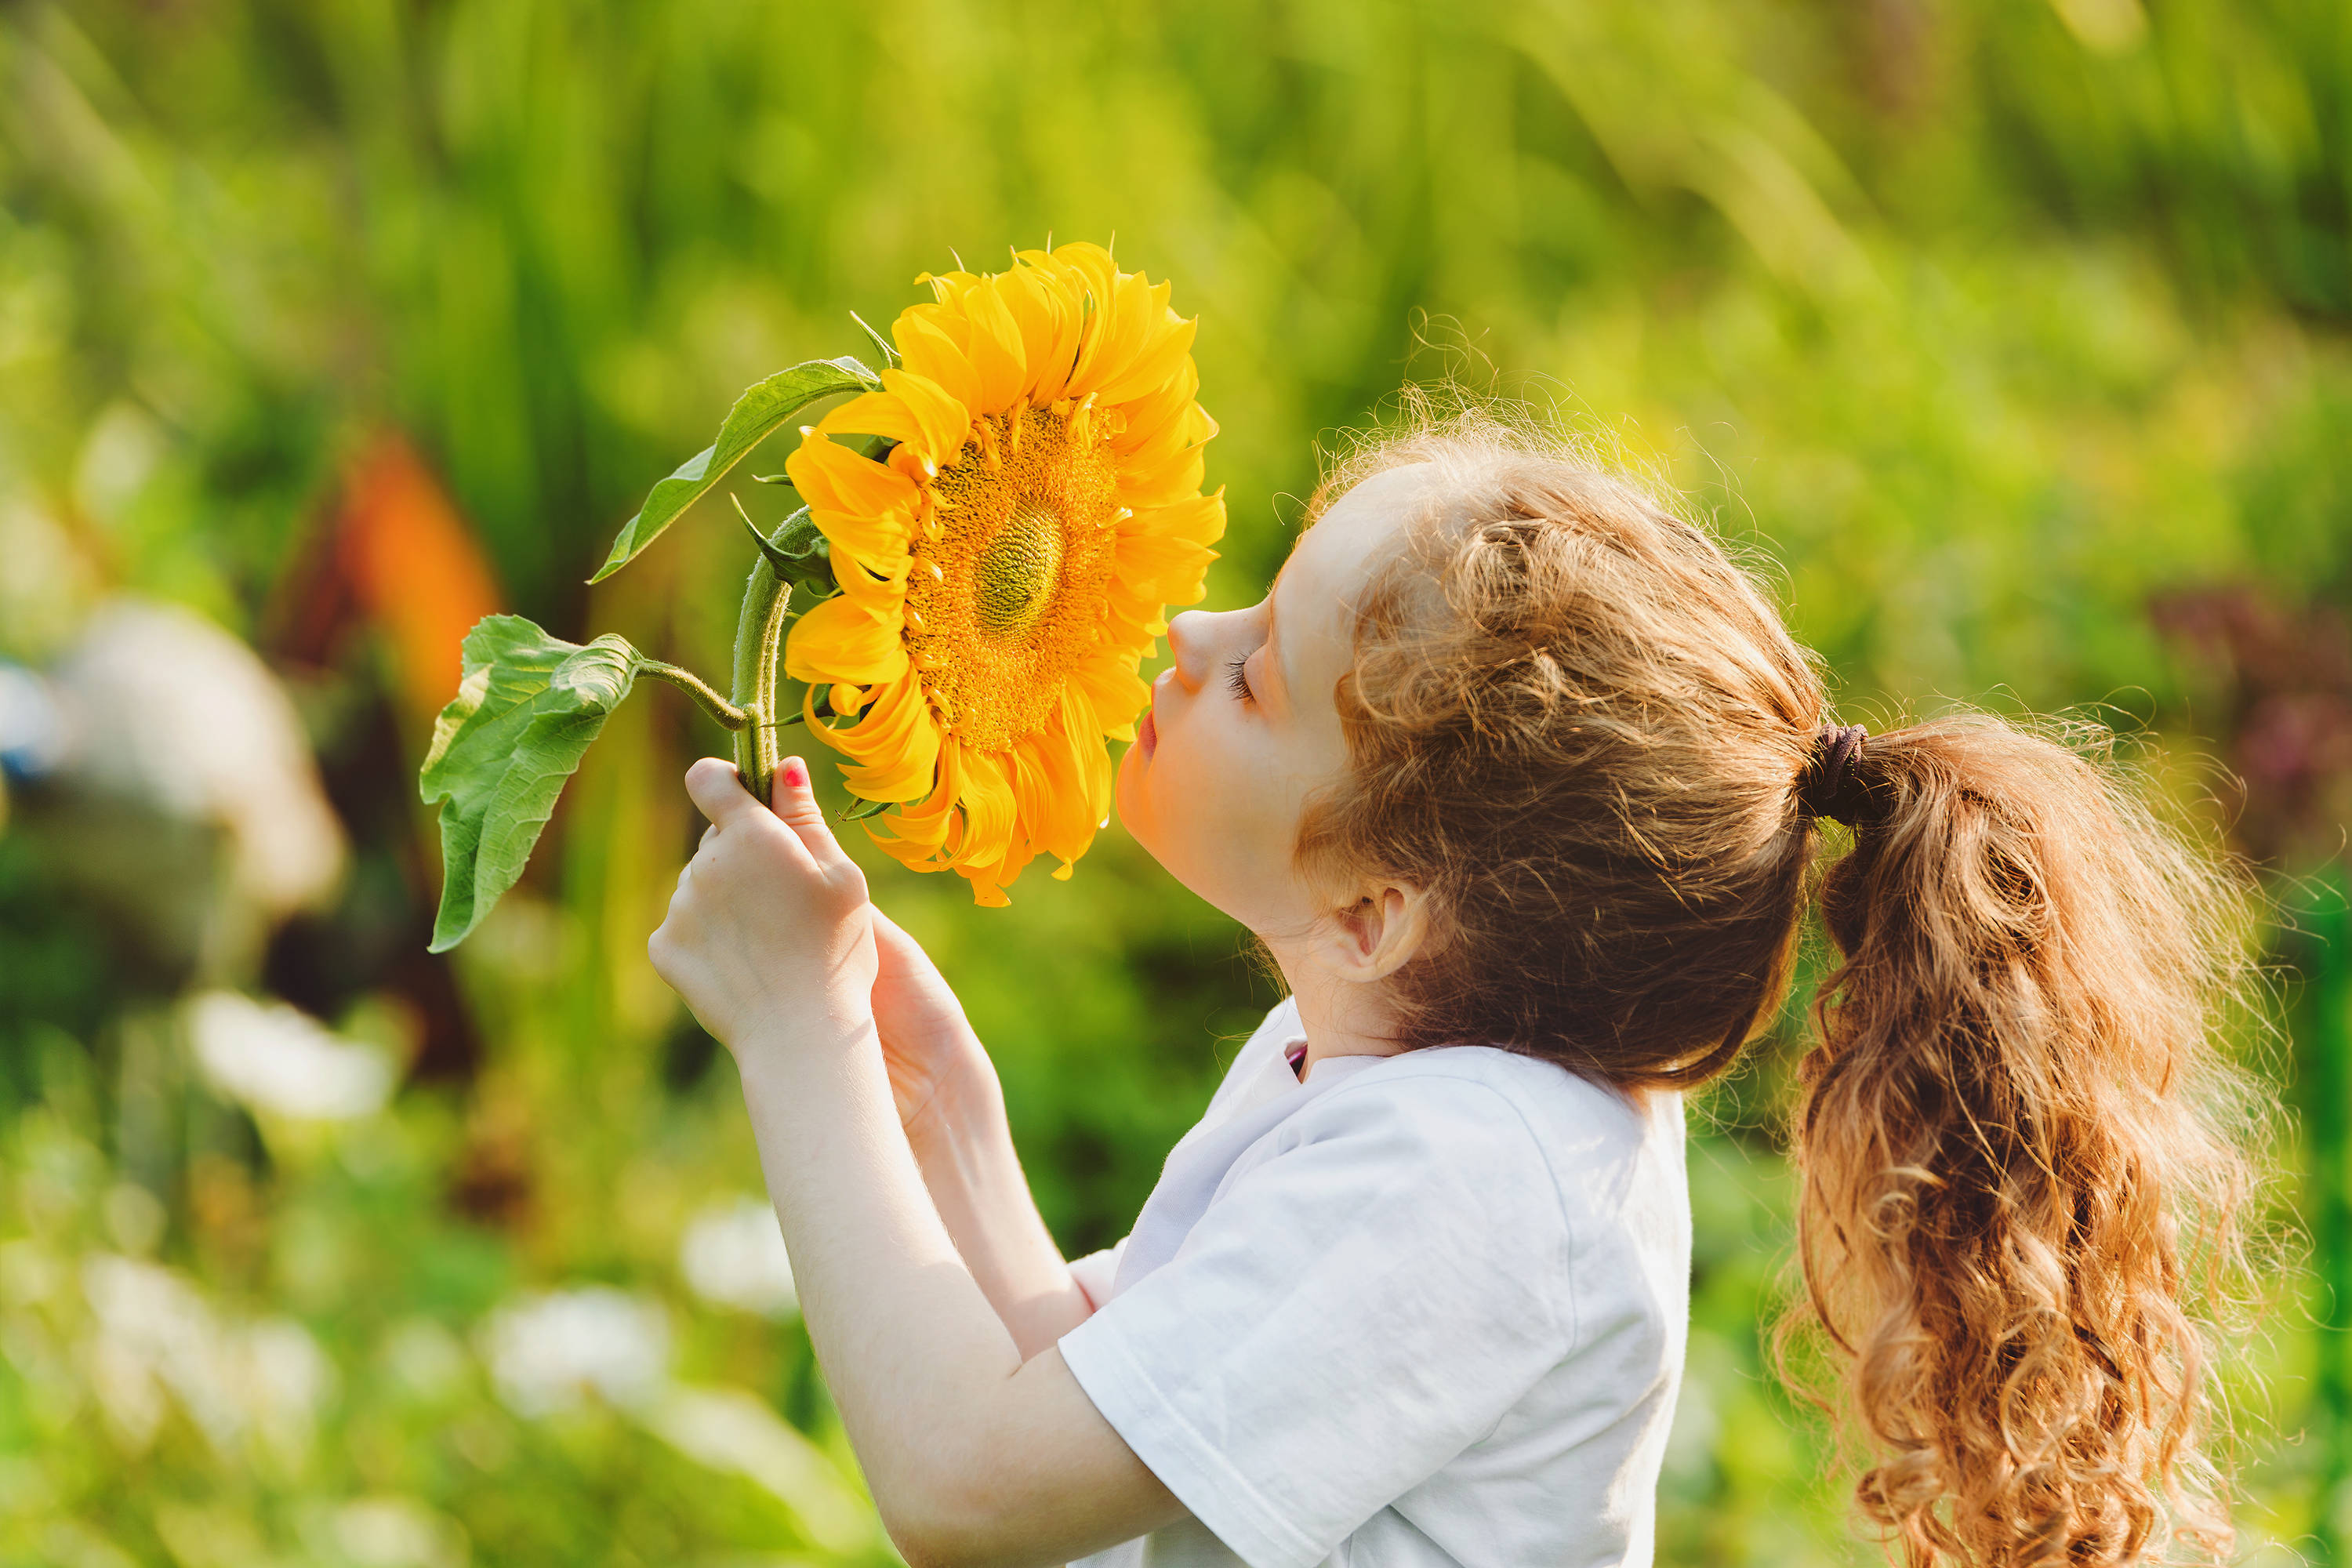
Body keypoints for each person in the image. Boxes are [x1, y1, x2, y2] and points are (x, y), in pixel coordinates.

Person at [647, 416, 2256, 1568]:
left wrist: (794, 1031)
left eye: (1259, 670)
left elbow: (969, 1492)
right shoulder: (1398, 1084)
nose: (1187, 635)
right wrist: (939, 1108)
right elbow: (1101, 1410)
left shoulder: (1475, 1176)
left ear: (1372, 911)